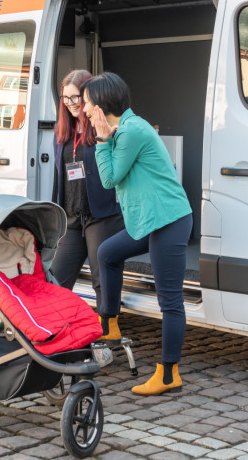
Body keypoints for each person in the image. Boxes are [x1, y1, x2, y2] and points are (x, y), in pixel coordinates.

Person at [83, 72, 193, 396]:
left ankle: (169, 373)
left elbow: (109, 178)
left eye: (88, 104)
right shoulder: (126, 128)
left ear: (102, 106)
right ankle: (111, 324)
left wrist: (102, 141)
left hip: (168, 221)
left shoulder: (130, 132)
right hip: (148, 221)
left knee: (169, 301)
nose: (86, 111)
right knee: (107, 253)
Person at [50, 69, 125, 306]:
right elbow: (58, 176)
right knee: (56, 278)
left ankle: (109, 330)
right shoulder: (62, 132)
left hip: (101, 216)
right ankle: (53, 330)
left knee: (102, 279)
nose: (72, 103)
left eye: (77, 97)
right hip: (71, 218)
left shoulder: (104, 128)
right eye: (66, 98)